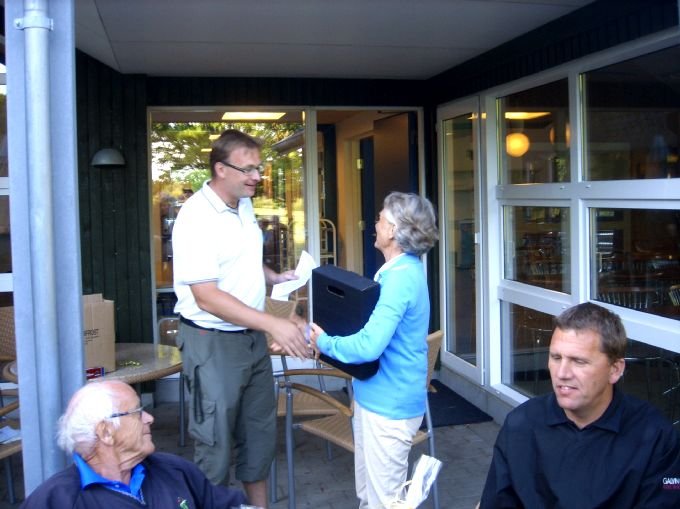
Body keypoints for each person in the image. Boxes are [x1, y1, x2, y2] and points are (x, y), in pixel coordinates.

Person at [171, 129, 309, 507]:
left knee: (259, 436)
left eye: (258, 167)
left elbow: (238, 259)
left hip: (250, 339)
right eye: (248, 169)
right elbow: (206, 296)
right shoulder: (196, 216)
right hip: (212, 342)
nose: (257, 176)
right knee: (214, 447)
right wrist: (273, 323)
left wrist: (272, 277)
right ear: (221, 169)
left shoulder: (242, 204)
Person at [479, 302, 680, 508]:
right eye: (556, 357)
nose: (562, 373)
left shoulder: (655, 436)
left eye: (579, 361)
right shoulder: (521, 424)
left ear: (615, 370)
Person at [309, 191, 439, 509]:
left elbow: (369, 346)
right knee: (369, 497)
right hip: (376, 401)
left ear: (393, 230)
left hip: (389, 409)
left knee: (385, 503)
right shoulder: (397, 270)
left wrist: (325, 343)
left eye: (380, 218)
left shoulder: (400, 279)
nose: (375, 223)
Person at [20, 380, 249, 508]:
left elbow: (225, 504)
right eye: (137, 412)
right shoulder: (56, 500)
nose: (149, 418)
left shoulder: (173, 470)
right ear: (106, 432)